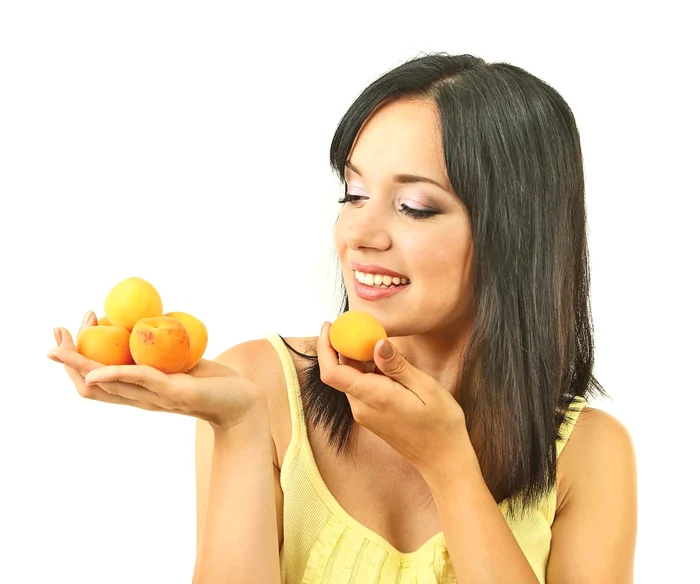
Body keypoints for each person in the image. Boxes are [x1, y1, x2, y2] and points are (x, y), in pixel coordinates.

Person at [48, 52, 638, 583]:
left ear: (516, 235)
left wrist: (450, 465)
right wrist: (238, 425)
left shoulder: (589, 455)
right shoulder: (261, 386)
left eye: (414, 206)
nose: (359, 233)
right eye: (354, 195)